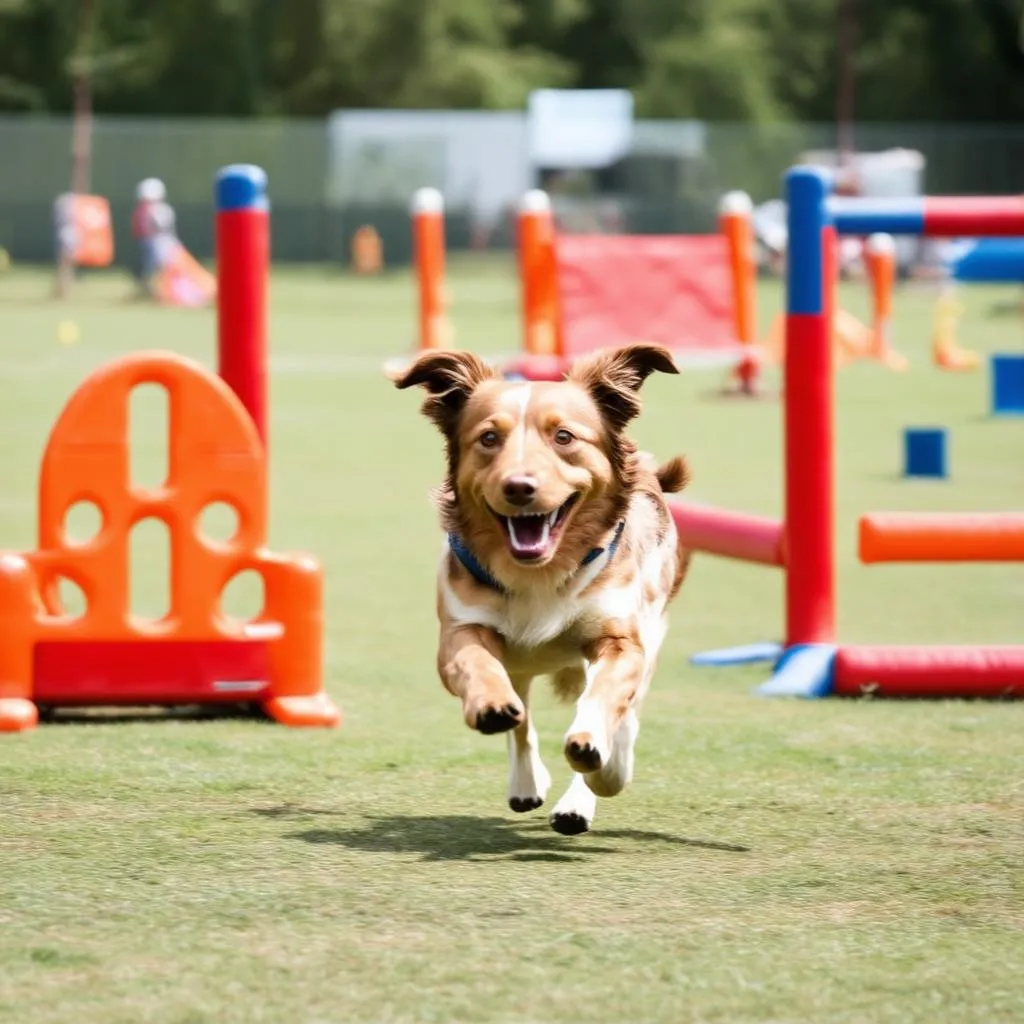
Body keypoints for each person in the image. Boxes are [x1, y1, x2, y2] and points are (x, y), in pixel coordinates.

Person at [131, 178, 177, 296]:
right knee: (152, 268)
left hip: (160, 242)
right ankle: (152, 291)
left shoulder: (159, 209)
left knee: (160, 267)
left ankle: (160, 291)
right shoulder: (145, 210)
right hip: (152, 242)